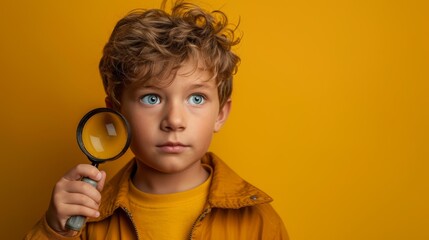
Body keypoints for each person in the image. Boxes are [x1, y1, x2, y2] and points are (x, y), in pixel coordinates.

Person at [25, 0, 288, 239]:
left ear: (220, 114)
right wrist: (52, 232)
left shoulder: (257, 221)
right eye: (152, 98)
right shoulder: (86, 223)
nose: (174, 121)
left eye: (196, 98)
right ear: (116, 114)